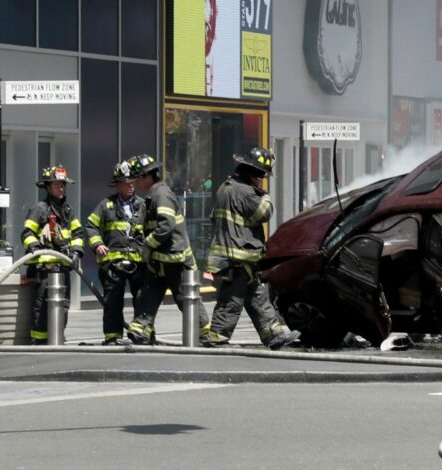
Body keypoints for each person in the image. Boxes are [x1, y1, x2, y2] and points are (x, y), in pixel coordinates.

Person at [201, 146, 299, 350]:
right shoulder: (245, 191)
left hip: (235, 254)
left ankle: (273, 335)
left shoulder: (226, 186)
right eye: (262, 175)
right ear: (253, 173)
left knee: (257, 296)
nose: (262, 179)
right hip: (237, 255)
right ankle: (217, 339)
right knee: (232, 299)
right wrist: (265, 196)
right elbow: (263, 213)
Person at [124, 154, 212, 345]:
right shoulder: (153, 195)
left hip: (175, 260)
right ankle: (141, 331)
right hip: (160, 261)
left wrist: (148, 244)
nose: (136, 183)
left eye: (137, 178)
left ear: (147, 176)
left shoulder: (161, 194)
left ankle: (204, 334)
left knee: (185, 298)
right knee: (147, 295)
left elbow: (166, 225)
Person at [82, 161, 148, 346]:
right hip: (113, 264)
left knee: (142, 301)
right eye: (127, 183)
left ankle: (141, 334)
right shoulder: (106, 205)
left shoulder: (143, 205)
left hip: (139, 263)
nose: (131, 186)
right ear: (118, 184)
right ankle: (112, 336)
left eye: (133, 182)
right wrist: (97, 244)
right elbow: (91, 226)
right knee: (113, 301)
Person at [20, 166, 85, 345]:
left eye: (63, 185)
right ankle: (40, 341)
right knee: (41, 307)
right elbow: (26, 233)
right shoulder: (39, 209)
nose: (61, 188)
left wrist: (76, 252)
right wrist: (34, 245)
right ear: (48, 187)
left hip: (63, 268)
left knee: (62, 306)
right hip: (44, 270)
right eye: (57, 185)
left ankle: (57, 338)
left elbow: (78, 234)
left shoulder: (68, 211)